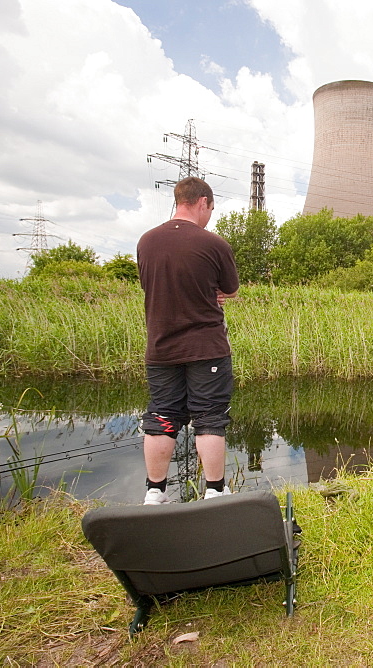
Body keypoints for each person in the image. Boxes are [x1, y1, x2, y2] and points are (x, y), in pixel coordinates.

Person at [136, 176, 240, 504]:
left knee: (162, 414)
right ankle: (215, 491)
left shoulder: (147, 241)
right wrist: (211, 295)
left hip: (161, 346)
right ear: (202, 202)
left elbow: (152, 285)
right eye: (211, 208)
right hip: (206, 348)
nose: (210, 215)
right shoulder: (214, 244)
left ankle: (155, 493)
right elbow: (231, 290)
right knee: (209, 417)